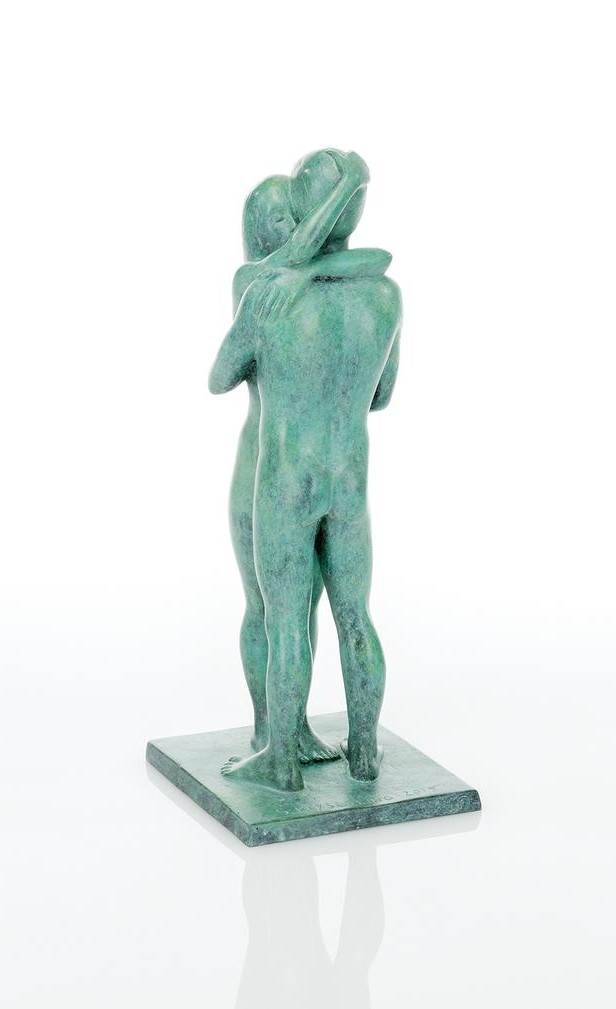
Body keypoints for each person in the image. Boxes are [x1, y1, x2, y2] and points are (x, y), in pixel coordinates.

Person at [210, 149, 402, 791]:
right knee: (355, 617)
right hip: (349, 480)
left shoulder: (266, 293)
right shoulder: (385, 294)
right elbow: (381, 395)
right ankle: (364, 754)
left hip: (286, 479)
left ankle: (281, 760)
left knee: (285, 618)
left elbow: (220, 378)